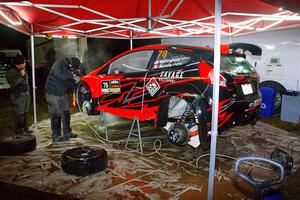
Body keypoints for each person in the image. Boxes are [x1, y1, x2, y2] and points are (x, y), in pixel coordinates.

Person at [45, 57, 81, 142]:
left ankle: (67, 132)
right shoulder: (59, 63)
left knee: (66, 112)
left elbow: (71, 82)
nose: (73, 70)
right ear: (70, 64)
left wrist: (77, 84)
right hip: (52, 92)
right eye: (73, 68)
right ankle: (56, 135)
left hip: (62, 92)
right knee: (56, 113)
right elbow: (60, 75)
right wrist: (72, 76)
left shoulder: (70, 69)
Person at [6, 55, 33, 135]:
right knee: (20, 112)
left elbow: (25, 82)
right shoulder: (11, 71)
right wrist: (21, 75)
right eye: (24, 62)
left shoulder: (22, 70)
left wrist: (28, 91)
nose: (25, 64)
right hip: (18, 95)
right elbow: (13, 83)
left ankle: (25, 128)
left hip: (26, 94)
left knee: (26, 112)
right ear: (19, 63)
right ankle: (19, 130)